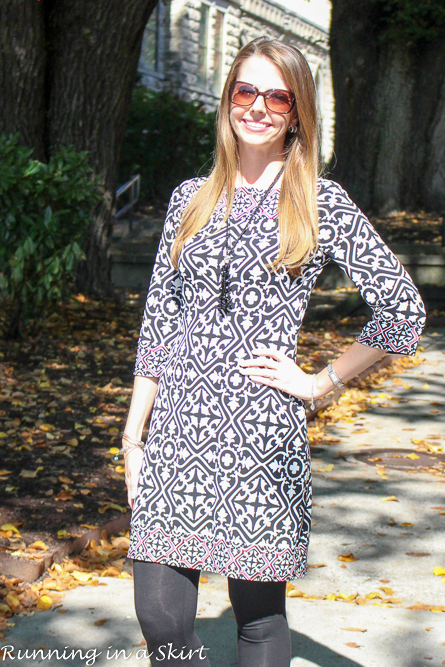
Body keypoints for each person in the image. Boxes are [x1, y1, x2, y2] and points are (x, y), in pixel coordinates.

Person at [121, 37, 426, 666]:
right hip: (177, 431)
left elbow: (404, 311)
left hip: (260, 435)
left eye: (277, 96)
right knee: (159, 616)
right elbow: (159, 320)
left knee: (257, 617)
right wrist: (133, 434)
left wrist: (321, 382)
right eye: (245, 90)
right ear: (229, 98)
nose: (257, 106)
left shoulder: (320, 201)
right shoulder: (190, 198)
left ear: (297, 112)